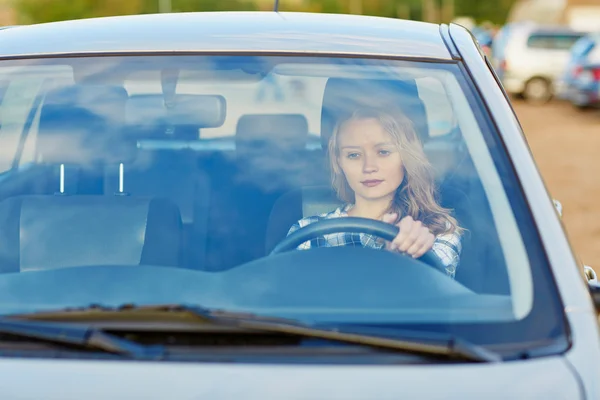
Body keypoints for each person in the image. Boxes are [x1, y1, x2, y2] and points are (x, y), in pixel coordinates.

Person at [286, 107, 463, 278]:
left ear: (405, 157)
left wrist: (402, 260)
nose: (369, 167)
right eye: (353, 155)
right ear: (338, 162)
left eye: (383, 152)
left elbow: (434, 299)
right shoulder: (308, 233)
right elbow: (289, 298)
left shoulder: (436, 231)